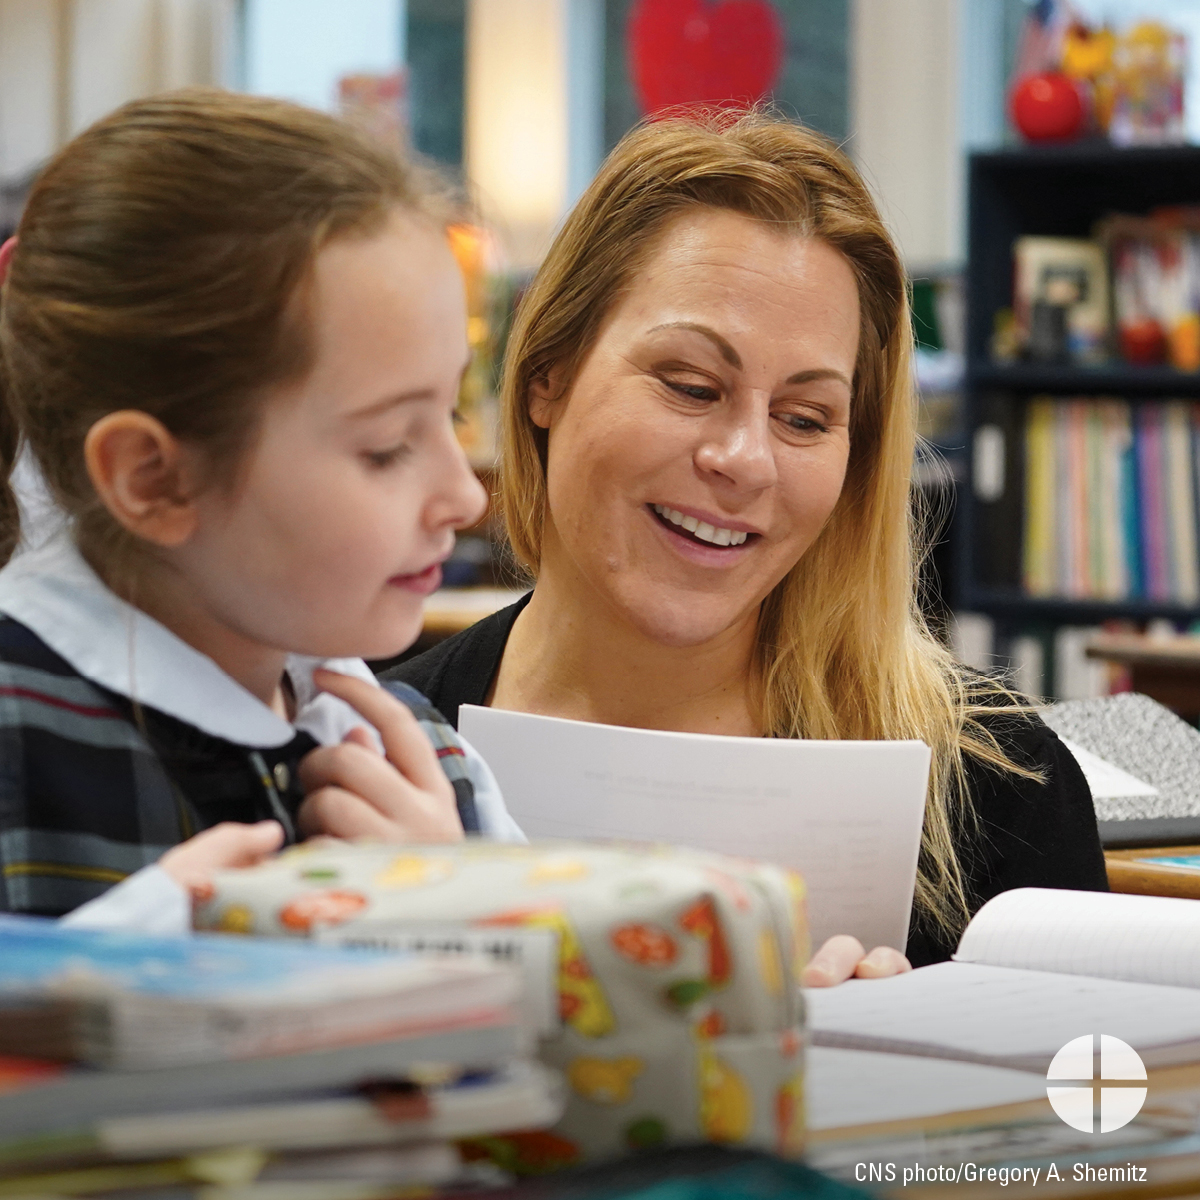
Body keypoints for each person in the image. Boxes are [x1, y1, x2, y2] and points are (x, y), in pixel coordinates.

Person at [387, 110, 1108, 979]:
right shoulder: (377, 763)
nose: (743, 461)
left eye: (806, 418)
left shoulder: (995, 783)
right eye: (691, 386)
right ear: (549, 375)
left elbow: (1093, 1099)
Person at [0, 89, 523, 929]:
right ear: (153, 480)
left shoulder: (414, 758)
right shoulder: (22, 729)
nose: (464, 497)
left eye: (452, 415)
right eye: (387, 446)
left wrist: (468, 906)